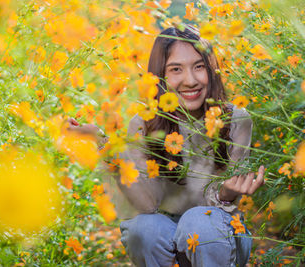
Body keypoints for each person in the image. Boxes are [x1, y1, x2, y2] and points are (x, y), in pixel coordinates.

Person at [68, 25, 265, 267]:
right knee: (145, 228)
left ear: (211, 70)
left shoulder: (236, 120)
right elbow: (146, 204)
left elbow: (225, 203)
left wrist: (226, 194)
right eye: (175, 69)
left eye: (199, 66)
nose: (190, 80)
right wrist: (102, 143)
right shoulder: (143, 124)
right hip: (166, 237)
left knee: (200, 222)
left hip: (221, 238)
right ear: (159, 76)